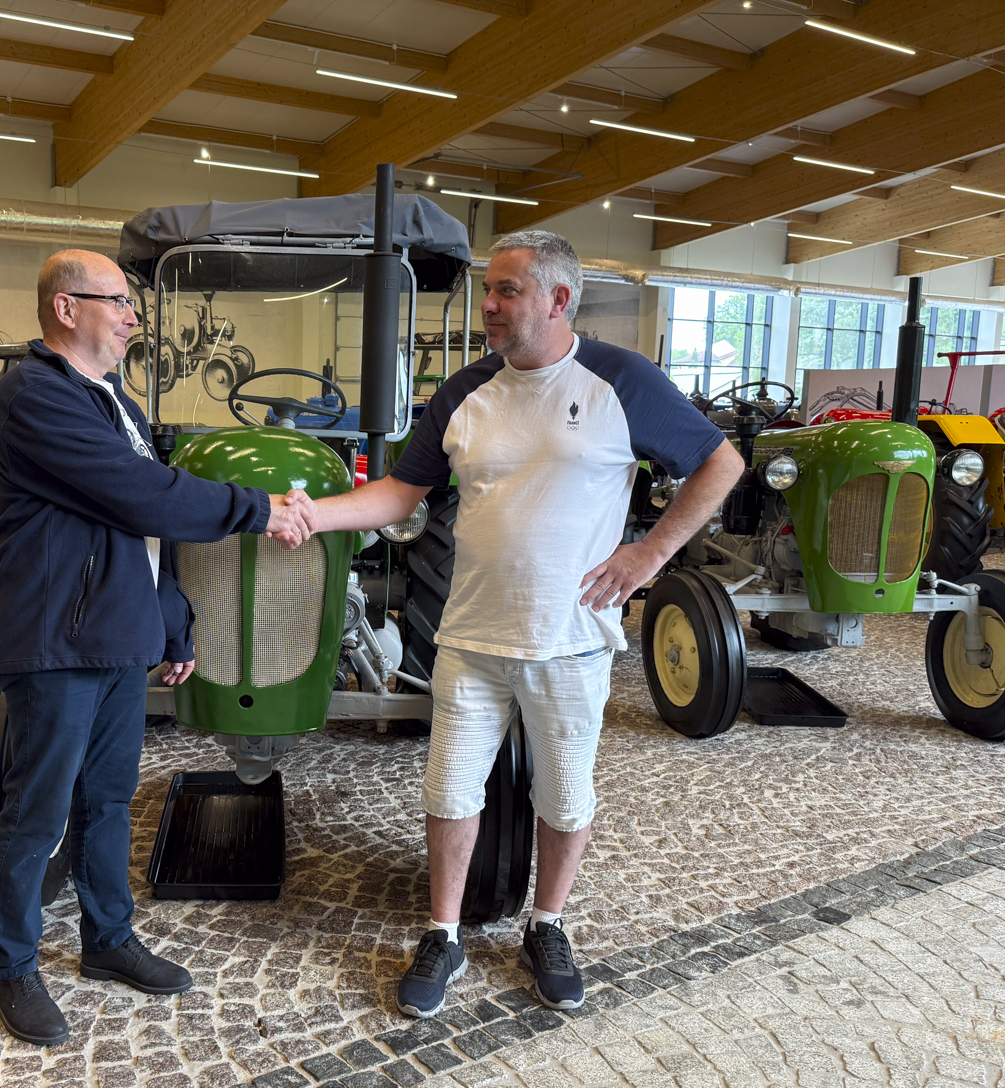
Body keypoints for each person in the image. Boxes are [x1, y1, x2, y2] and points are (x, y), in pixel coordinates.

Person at [285, 230, 743, 1018]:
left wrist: (650, 554)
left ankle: (548, 925)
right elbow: (399, 494)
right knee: (449, 791)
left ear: (559, 299)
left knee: (564, 797)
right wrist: (310, 514)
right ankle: (444, 934)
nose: (489, 307)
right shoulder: (466, 391)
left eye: (507, 291)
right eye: (486, 291)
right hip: (470, 637)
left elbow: (721, 463)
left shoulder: (619, 380)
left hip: (571, 641)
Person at [0, 248, 311, 1045]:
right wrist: (256, 509)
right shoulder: (35, 393)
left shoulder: (117, 401)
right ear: (67, 309)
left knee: (108, 800)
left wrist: (172, 620)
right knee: (37, 810)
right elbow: (137, 492)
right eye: (118, 302)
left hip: (117, 638)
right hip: (58, 641)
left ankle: (108, 940)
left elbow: (144, 533)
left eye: (133, 304)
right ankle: (12, 970)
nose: (133, 317)